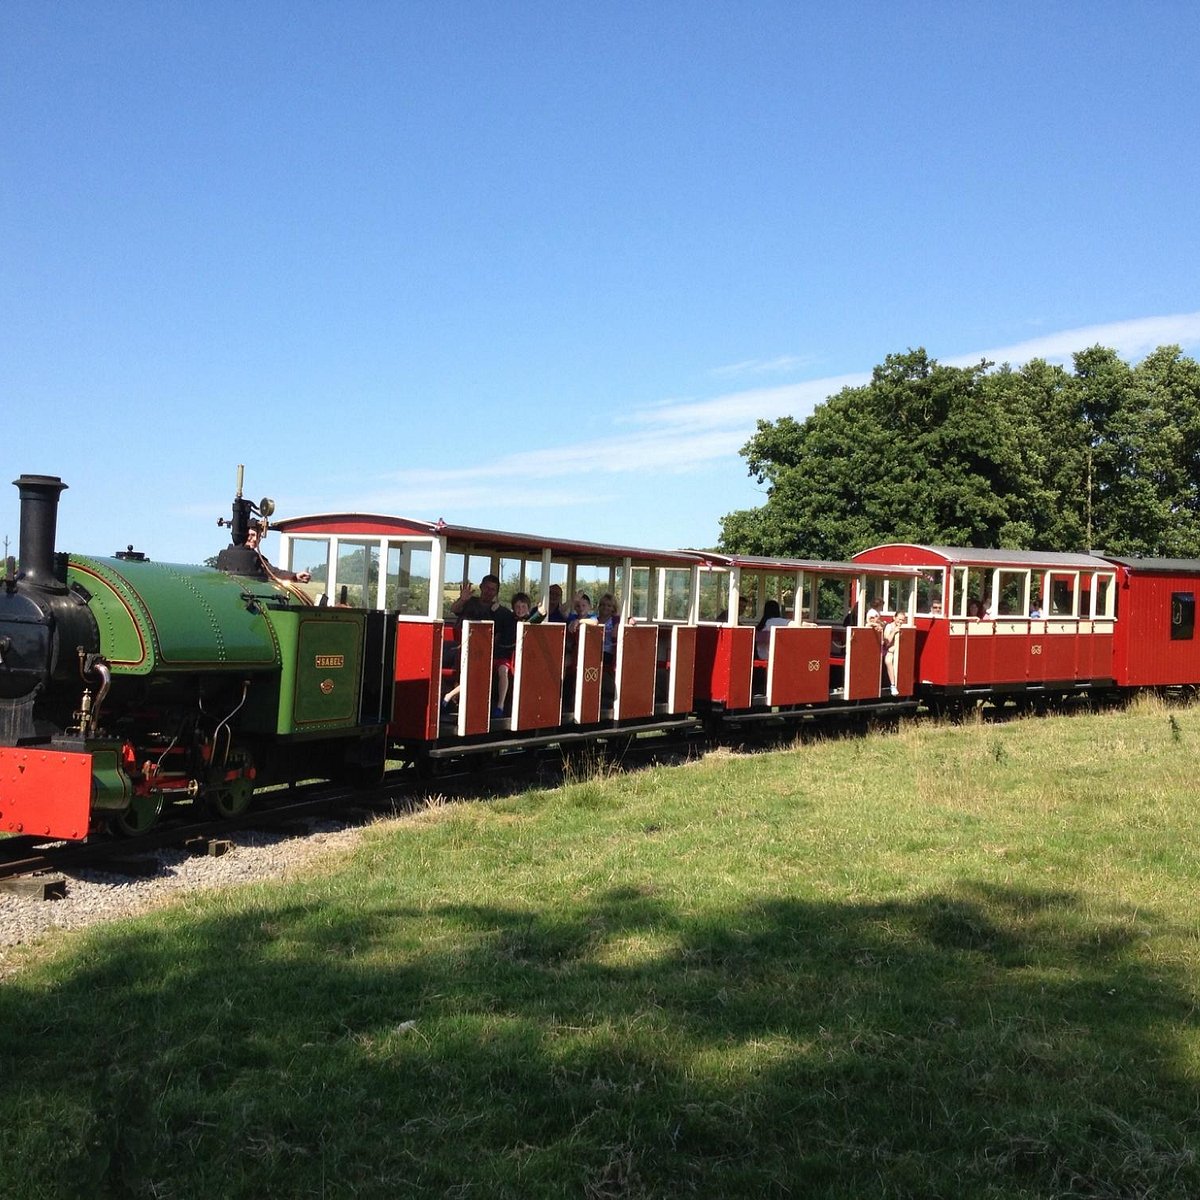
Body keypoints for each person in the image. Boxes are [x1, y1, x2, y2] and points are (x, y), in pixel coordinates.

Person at [246, 522, 312, 583]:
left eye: (258, 536)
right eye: (252, 535)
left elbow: (274, 573)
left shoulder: (260, 559)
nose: (255, 539)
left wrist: (295, 576)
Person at [883, 610, 908, 696]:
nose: (900, 622)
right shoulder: (889, 627)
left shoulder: (905, 628)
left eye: (902, 620)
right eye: (899, 619)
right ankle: (893, 685)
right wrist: (894, 632)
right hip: (889, 651)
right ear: (894, 618)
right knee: (889, 661)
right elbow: (886, 643)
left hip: (900, 653)